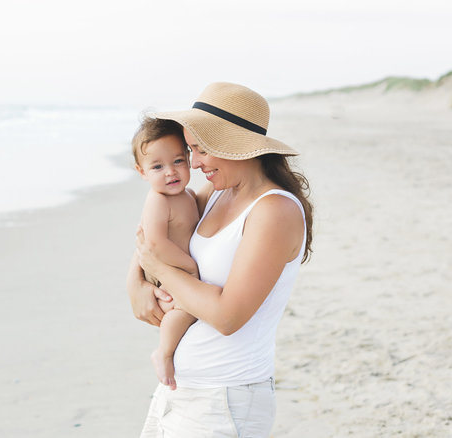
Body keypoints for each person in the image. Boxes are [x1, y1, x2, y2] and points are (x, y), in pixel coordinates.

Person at [127, 82, 314, 437]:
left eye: (200, 150)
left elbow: (228, 316)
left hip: (224, 401)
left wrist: (161, 270)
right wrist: (135, 283)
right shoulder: (216, 192)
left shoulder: (274, 211)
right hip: (180, 391)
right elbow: (155, 240)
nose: (194, 164)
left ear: (235, 146)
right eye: (190, 150)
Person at [131, 117, 200, 391]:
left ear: (188, 158)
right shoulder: (157, 201)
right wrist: (191, 267)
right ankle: (165, 351)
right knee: (184, 309)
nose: (170, 172)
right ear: (142, 172)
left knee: (191, 306)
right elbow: (156, 243)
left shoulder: (190, 195)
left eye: (178, 161)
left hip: (177, 269)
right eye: (157, 166)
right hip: (165, 270)